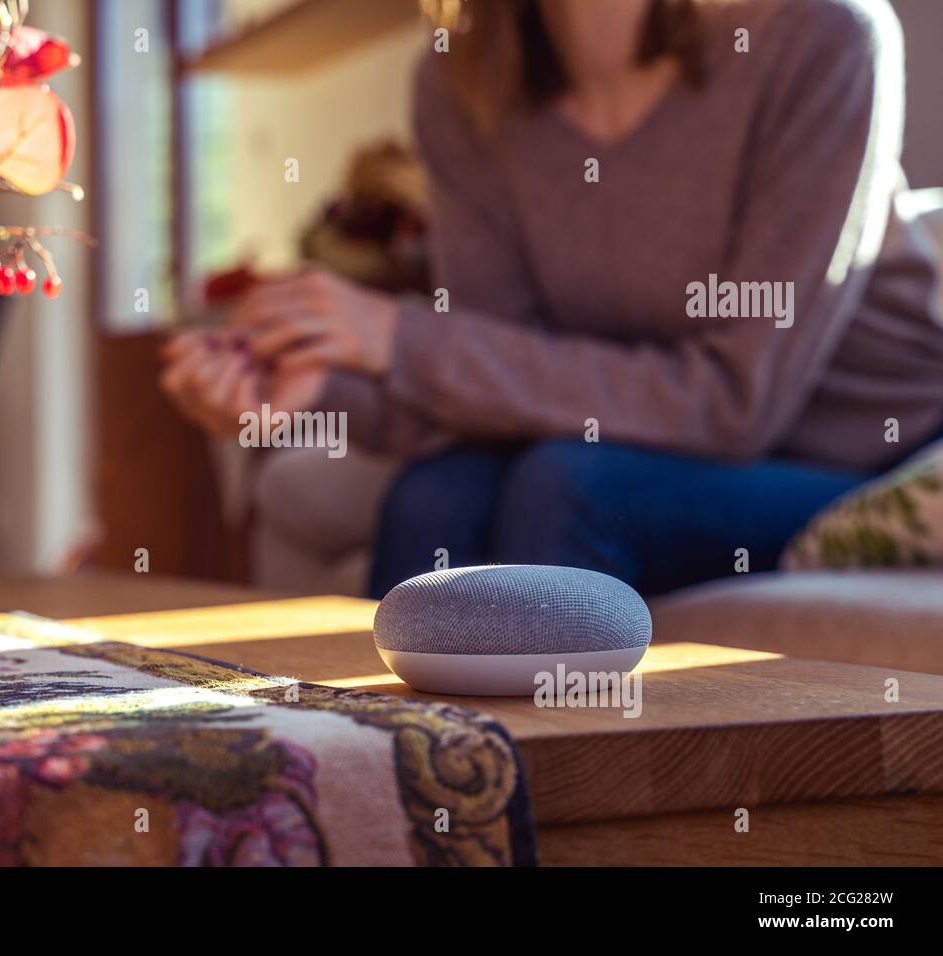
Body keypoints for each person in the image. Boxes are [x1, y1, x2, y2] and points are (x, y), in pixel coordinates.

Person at [161, 0, 943, 598]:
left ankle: (556, 770)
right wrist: (312, 389)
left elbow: (736, 404)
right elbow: (500, 385)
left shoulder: (821, 35)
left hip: (856, 462)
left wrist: (401, 339)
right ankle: (385, 763)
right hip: (631, 441)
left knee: (569, 487)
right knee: (436, 497)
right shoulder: (462, 81)